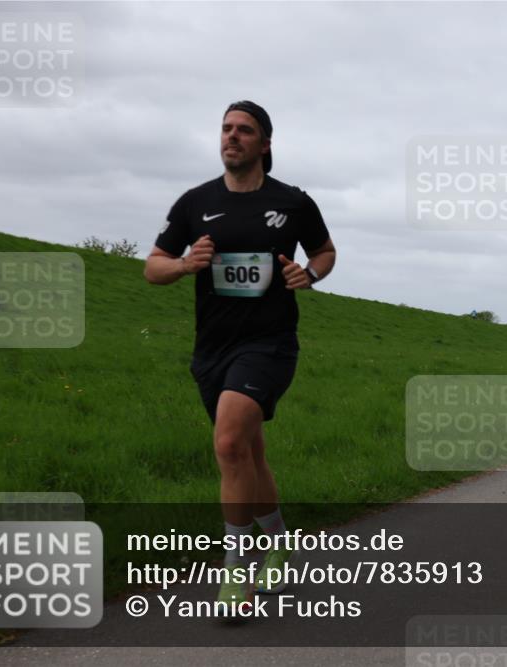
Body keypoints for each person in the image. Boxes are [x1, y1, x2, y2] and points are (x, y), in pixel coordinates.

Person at [144, 100, 336, 612]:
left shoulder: (293, 202)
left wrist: (309, 274)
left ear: (265, 143)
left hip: (270, 344)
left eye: (244, 130)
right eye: (226, 129)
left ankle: (236, 572)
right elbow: (152, 267)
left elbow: (325, 251)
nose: (232, 137)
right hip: (212, 349)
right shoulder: (194, 202)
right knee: (249, 453)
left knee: (228, 443)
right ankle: (279, 542)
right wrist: (186, 266)